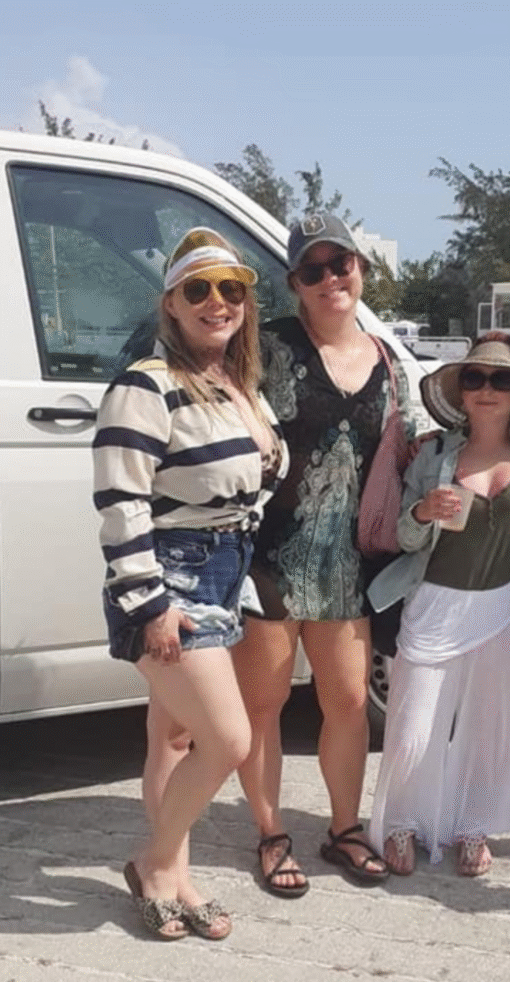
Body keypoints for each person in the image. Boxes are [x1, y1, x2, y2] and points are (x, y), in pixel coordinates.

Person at [93, 227, 287, 939]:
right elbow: (121, 503)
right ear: (170, 303)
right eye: (197, 289)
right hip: (170, 581)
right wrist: (150, 605)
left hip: (223, 572)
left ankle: (176, 877)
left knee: (173, 736)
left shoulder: (237, 385)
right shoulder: (146, 384)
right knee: (228, 739)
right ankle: (154, 863)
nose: (217, 301)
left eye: (231, 288)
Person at [232, 214, 413, 895]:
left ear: (361, 269)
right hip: (269, 557)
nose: (331, 278)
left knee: (346, 701)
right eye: (314, 269)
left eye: (342, 264)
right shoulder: (266, 346)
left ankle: (344, 829)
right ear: (294, 283)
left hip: (345, 563)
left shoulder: (388, 361)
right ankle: (270, 833)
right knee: (264, 705)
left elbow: (410, 445)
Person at [367, 337, 510, 876]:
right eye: (474, 378)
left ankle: (474, 827)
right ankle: (401, 822)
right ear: (460, 389)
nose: (486, 390)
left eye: (502, 379)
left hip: (504, 605)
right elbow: (404, 536)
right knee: (412, 729)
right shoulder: (433, 455)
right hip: (434, 604)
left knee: (491, 728)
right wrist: (423, 512)